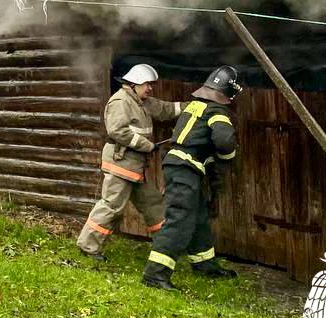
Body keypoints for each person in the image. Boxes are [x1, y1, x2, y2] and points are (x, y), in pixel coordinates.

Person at [142, 65, 243, 290]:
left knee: (198, 217)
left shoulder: (195, 105)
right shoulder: (217, 112)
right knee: (179, 219)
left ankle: (205, 264)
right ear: (229, 92)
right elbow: (225, 142)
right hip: (185, 169)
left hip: (181, 166)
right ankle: (155, 274)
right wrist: (227, 157)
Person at [77, 63, 182, 261]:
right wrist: (147, 145)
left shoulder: (142, 101)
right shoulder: (120, 101)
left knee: (152, 203)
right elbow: (118, 131)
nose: (150, 88)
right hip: (120, 164)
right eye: (147, 84)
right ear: (134, 84)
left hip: (134, 167)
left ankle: (165, 246)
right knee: (111, 206)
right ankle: (88, 247)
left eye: (151, 84)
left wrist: (193, 107)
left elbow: (166, 109)